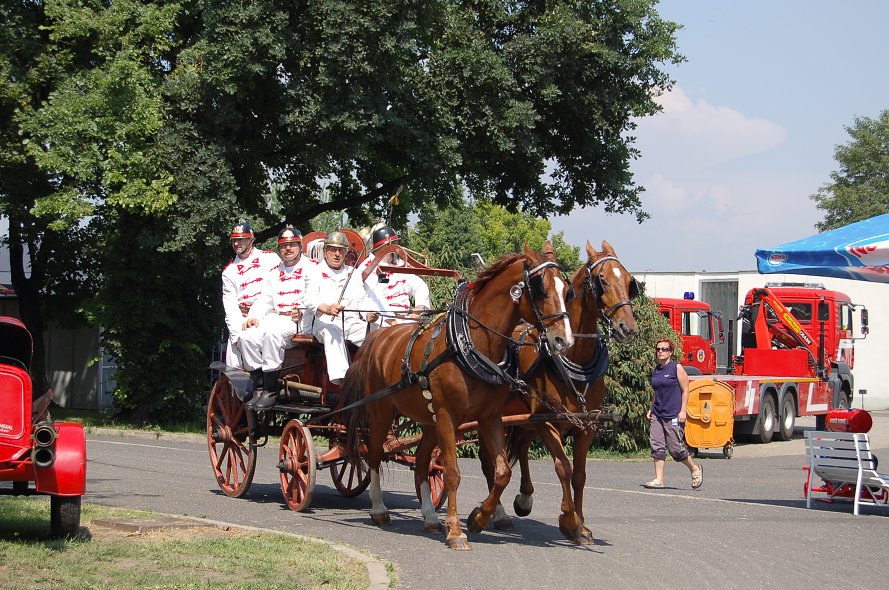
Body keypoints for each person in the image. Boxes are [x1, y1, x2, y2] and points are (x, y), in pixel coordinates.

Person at [240, 226, 319, 410]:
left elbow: (316, 297)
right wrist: (254, 317)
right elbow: (265, 300)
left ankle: (271, 390)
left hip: (300, 322)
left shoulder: (312, 268)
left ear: (300, 246)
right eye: (284, 246)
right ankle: (259, 387)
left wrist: (301, 311)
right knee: (246, 337)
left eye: (292, 245)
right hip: (276, 318)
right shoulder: (274, 272)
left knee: (272, 334)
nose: (288, 249)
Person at [305, 231, 380, 384]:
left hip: (351, 323)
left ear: (346, 253)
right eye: (333, 249)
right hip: (324, 323)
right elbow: (309, 298)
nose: (337, 254)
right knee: (333, 330)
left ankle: (380, 372)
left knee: (377, 332)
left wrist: (369, 315)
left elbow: (362, 300)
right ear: (325, 251)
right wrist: (326, 308)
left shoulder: (353, 273)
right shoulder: (314, 271)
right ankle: (343, 380)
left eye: (341, 250)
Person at [643, 337, 704, 490]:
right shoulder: (656, 370)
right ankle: (659, 479)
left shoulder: (676, 368)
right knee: (657, 445)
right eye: (658, 349)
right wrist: (651, 408)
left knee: (676, 448)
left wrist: (683, 410)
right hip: (658, 413)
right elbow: (656, 392)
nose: (660, 352)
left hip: (674, 414)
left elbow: (685, 390)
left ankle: (695, 469)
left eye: (664, 349)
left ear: (670, 352)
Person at [220, 222, 280, 371]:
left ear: (251, 239)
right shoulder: (229, 272)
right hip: (241, 319)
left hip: (268, 316)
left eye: (241, 239)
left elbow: (280, 287)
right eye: (234, 240)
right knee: (234, 368)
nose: (236, 243)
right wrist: (236, 336)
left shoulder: (270, 259)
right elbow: (230, 307)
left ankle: (265, 382)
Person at [361, 226, 430, 326]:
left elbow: (420, 286)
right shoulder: (367, 268)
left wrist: (420, 308)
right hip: (381, 322)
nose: (398, 247)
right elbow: (375, 298)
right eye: (394, 244)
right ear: (385, 246)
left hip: (406, 320)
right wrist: (394, 323)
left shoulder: (399, 264)